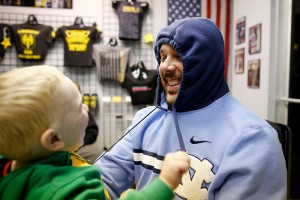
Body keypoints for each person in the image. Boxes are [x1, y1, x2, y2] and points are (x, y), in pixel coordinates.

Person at [94, 17, 287, 200]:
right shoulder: (144, 120)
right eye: (162, 58)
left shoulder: (252, 139)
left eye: (178, 56)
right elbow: (100, 181)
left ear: (206, 63)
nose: (165, 67)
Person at [0, 65, 190, 199]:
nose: (86, 108)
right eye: (77, 107)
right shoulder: (68, 191)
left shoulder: (12, 169)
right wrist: (164, 183)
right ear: (54, 139)